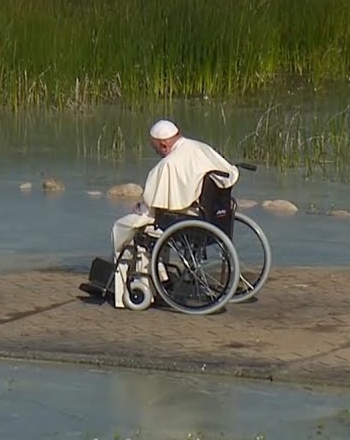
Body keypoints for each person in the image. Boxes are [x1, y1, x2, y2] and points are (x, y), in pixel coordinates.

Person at [83, 119, 239, 304]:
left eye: (156, 148)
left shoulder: (168, 165)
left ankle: (125, 285)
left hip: (184, 219)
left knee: (124, 227)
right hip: (212, 216)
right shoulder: (200, 148)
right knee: (151, 225)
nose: (157, 153)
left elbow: (153, 205)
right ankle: (161, 276)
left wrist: (141, 207)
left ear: (164, 145)